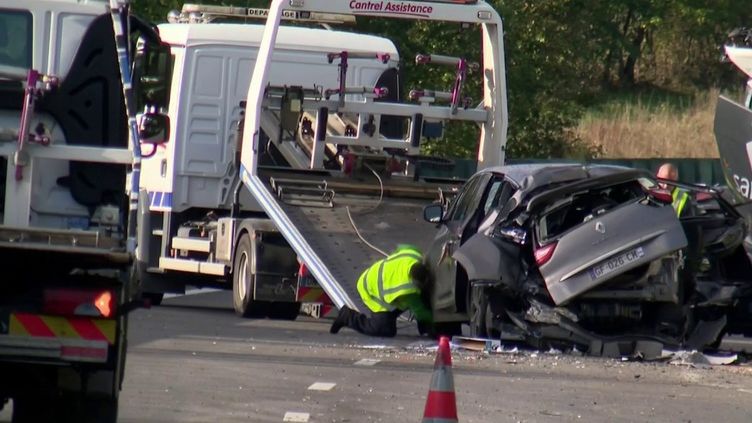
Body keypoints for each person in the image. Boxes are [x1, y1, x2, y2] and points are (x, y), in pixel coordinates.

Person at [330, 244, 433, 337]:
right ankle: (348, 317)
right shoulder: (407, 288)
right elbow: (420, 311)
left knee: (422, 296)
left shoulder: (414, 256)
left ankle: (423, 328)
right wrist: (435, 326)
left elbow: (404, 247)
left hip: (379, 277)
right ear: (414, 282)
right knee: (384, 330)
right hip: (371, 289)